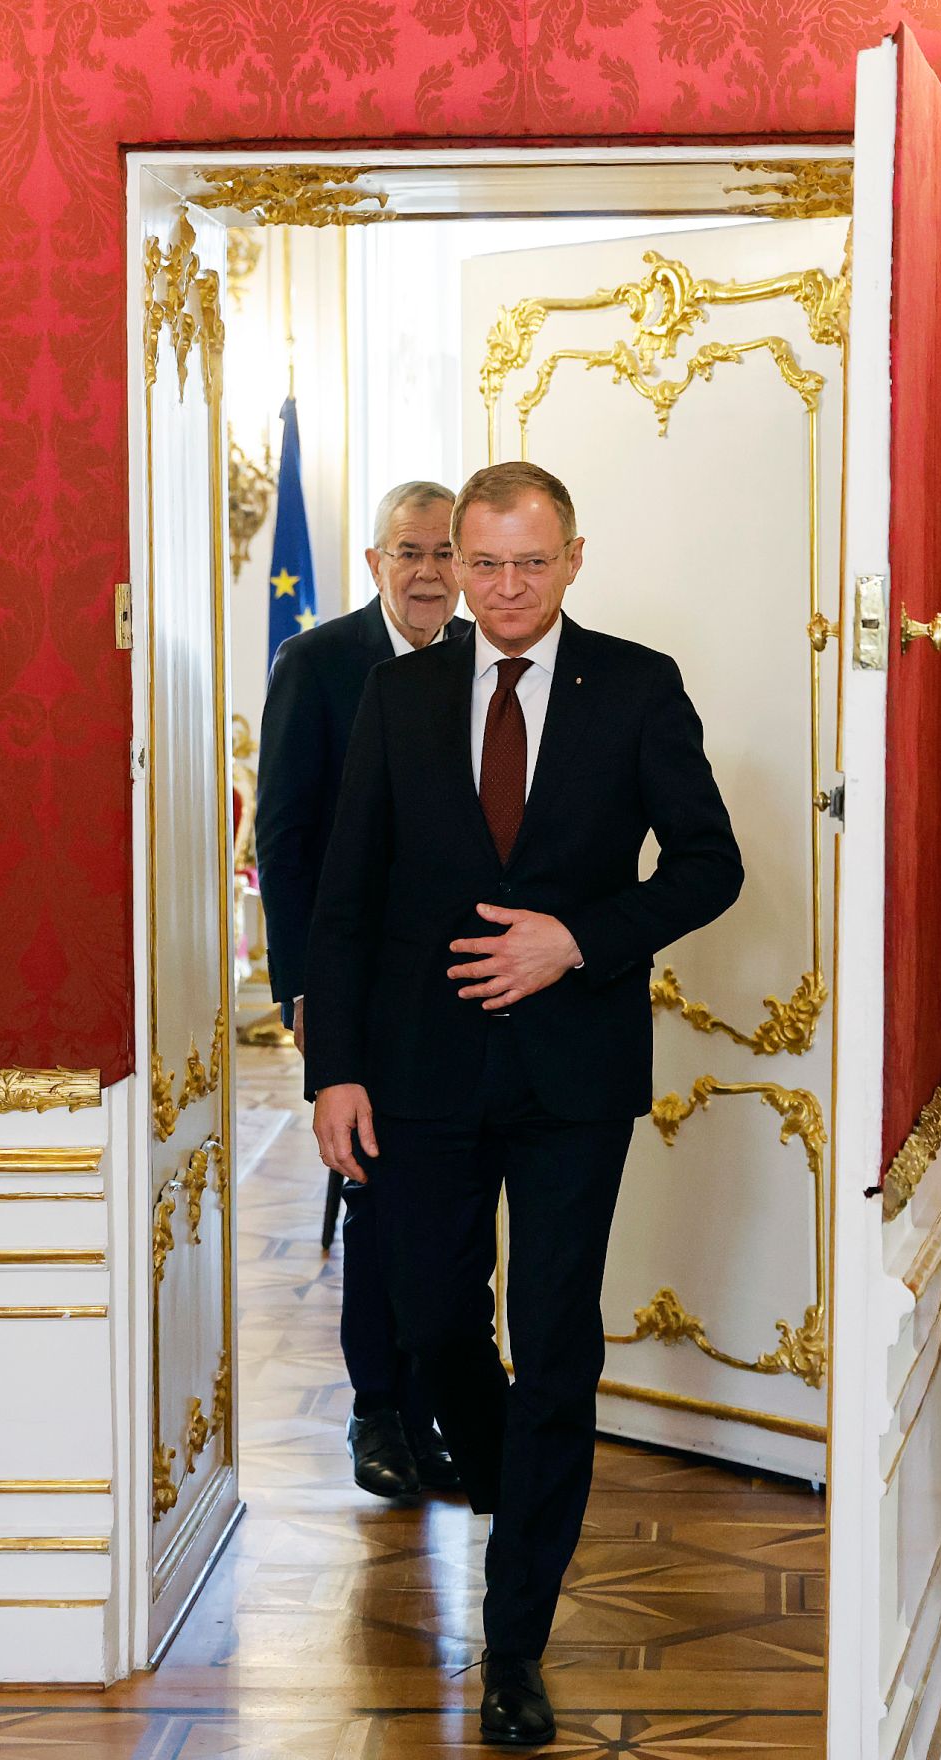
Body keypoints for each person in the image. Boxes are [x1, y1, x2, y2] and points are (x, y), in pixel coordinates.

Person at [303, 461, 744, 1747]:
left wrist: (579, 939)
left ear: (572, 560)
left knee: (556, 1342)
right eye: (479, 562)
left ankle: (514, 1639)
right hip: (416, 1073)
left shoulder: (638, 684)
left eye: (526, 563)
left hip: (570, 1077)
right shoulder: (397, 692)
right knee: (433, 1324)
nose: (500, 587)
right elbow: (343, 900)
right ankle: (511, 1486)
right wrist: (334, 1068)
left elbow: (709, 862)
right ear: (452, 557)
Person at [256, 480, 472, 1501]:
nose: (428, 571)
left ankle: (435, 1407)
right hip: (359, 988)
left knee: (451, 1213)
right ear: (377, 562)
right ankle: (376, 1410)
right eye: (408, 551)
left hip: (474, 989)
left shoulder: (491, 666)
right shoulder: (318, 664)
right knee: (379, 1199)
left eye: (444, 551)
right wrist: (303, 991)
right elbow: (285, 841)